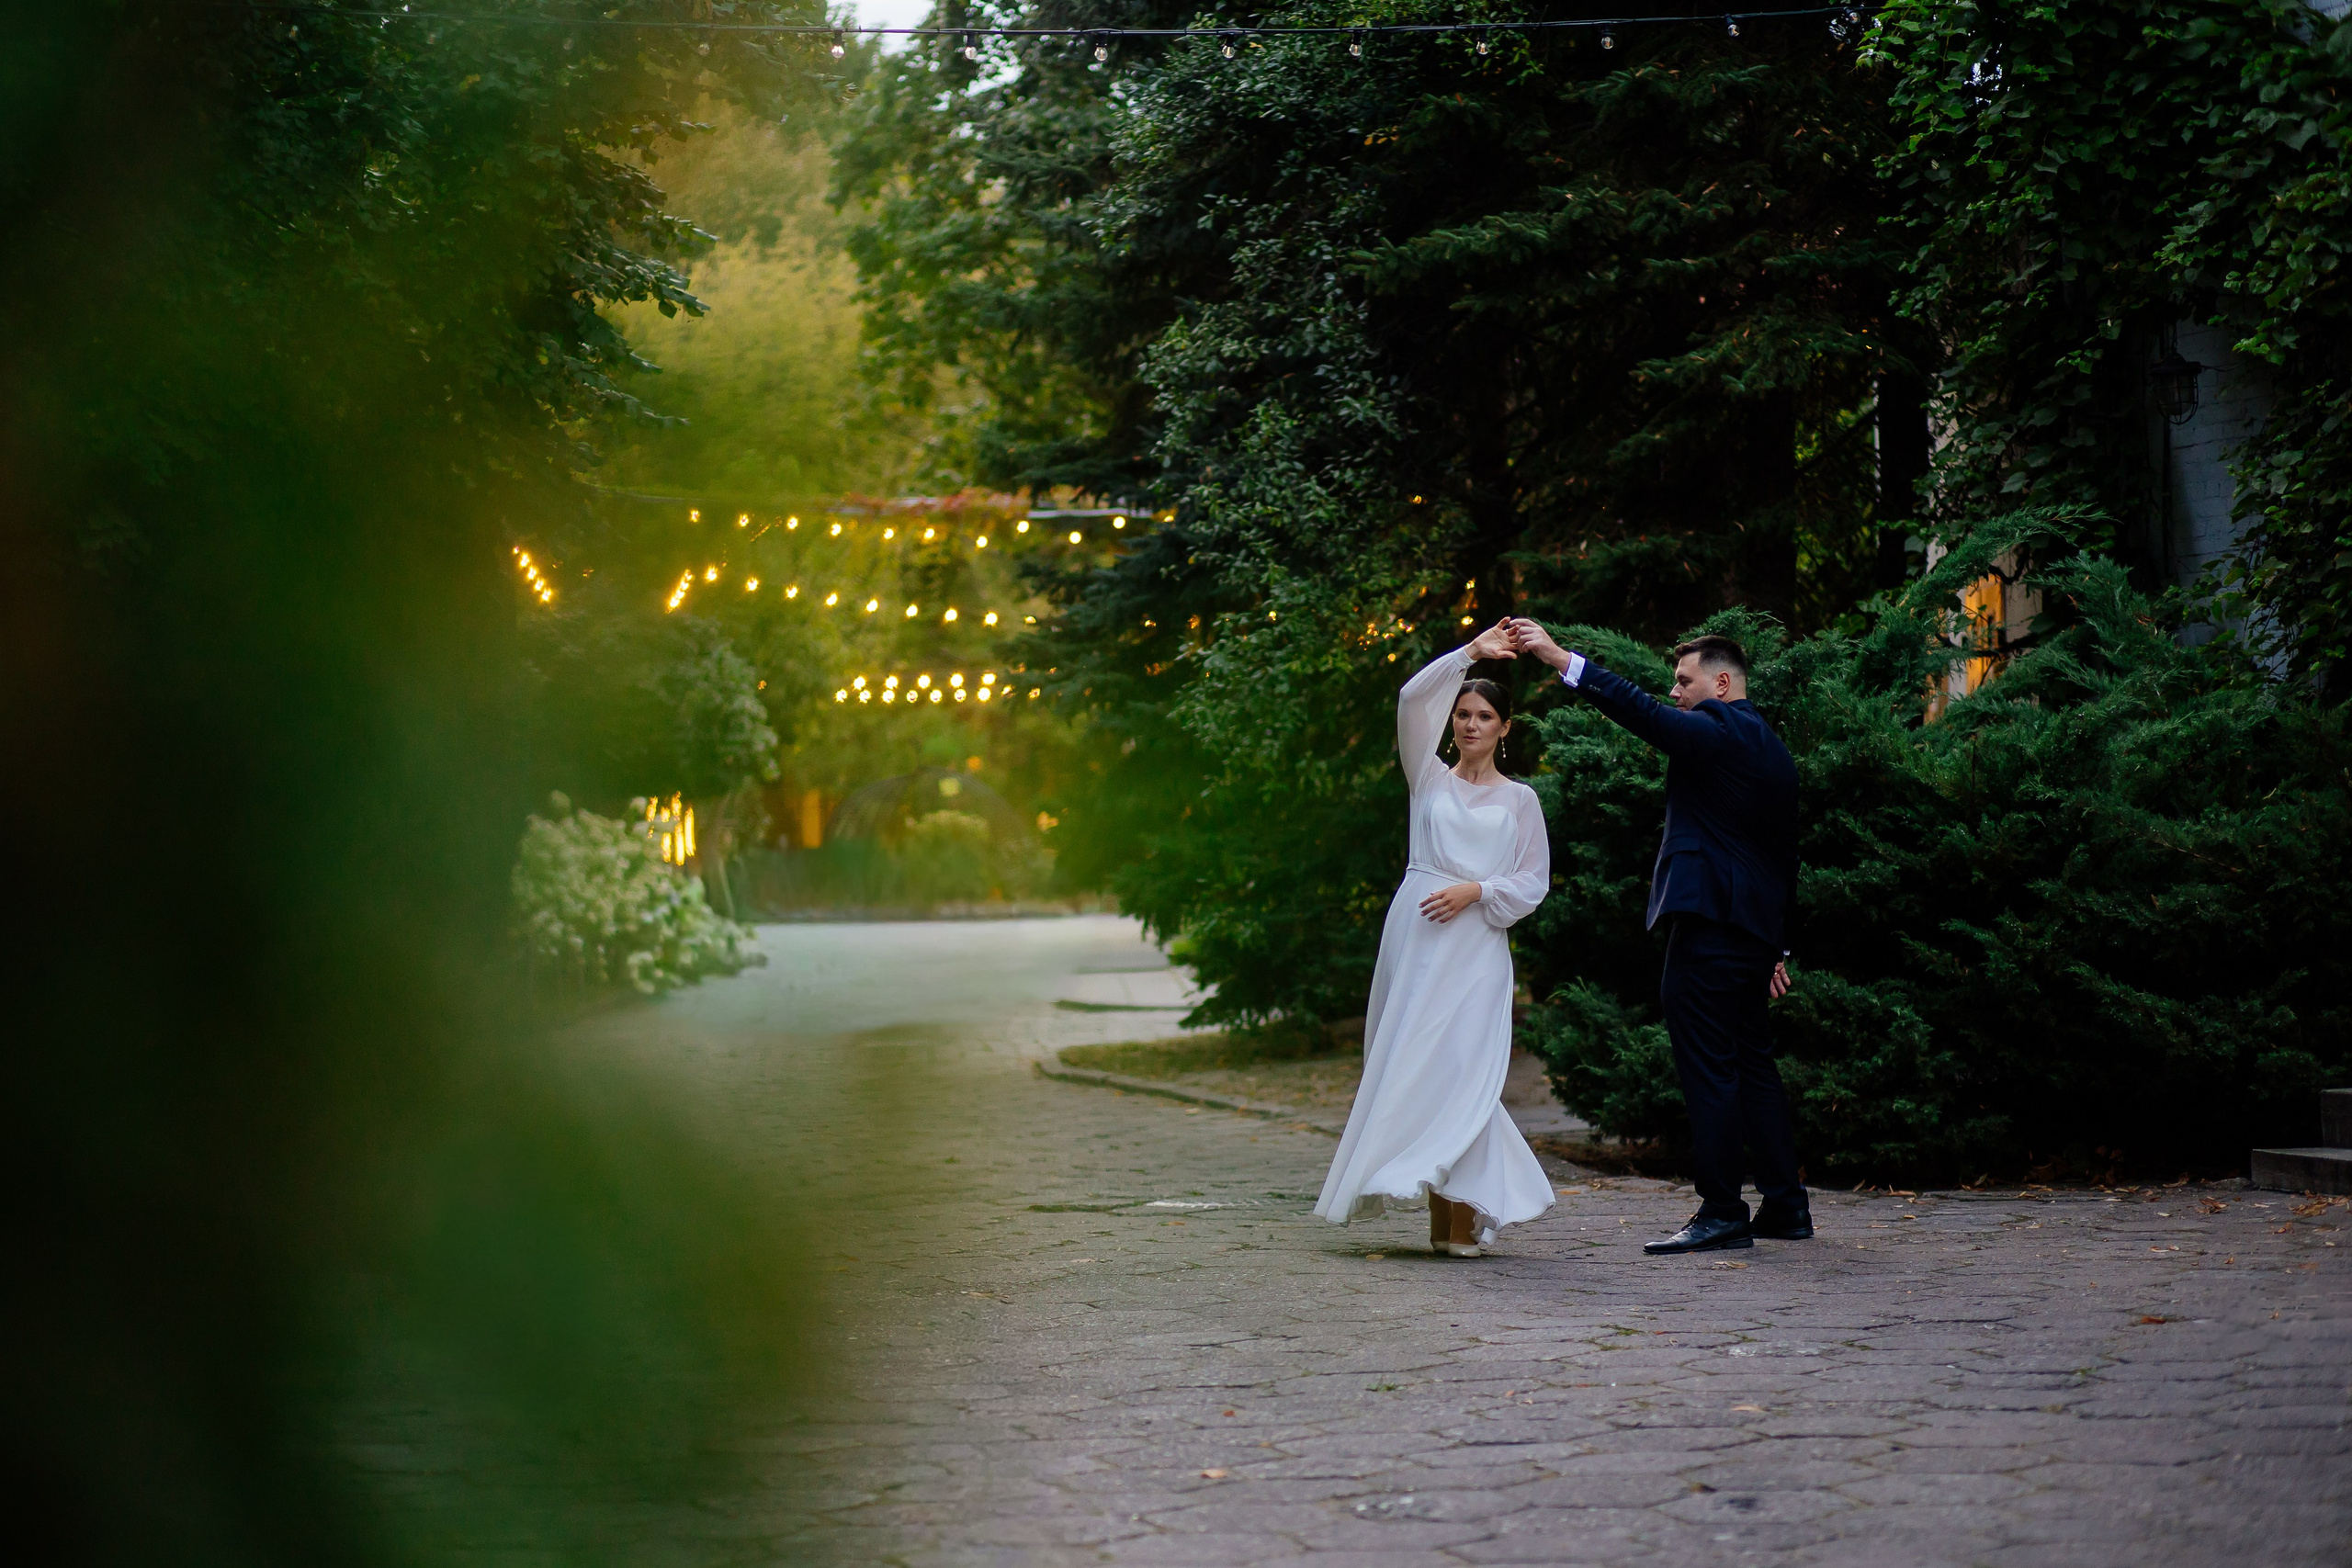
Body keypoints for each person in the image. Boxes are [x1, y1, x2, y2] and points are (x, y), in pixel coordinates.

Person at [1506, 620, 1810, 1255]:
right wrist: (1777, 946)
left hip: (1709, 926)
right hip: (1751, 934)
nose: (1673, 692)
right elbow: (1785, 856)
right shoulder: (1774, 750)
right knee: (1753, 1063)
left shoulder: (1718, 728)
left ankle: (1722, 1211)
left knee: (1710, 1067)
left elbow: (1641, 713)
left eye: (1683, 680)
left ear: (1721, 684)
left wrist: (1561, 659)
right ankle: (1786, 1206)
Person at [1314, 623, 1556, 1258]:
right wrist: (1470, 653)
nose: (1471, 724)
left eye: (1484, 716)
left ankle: (1460, 1216)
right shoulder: (1427, 777)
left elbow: (1532, 881)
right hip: (1419, 937)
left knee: (1464, 1073)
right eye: (1463, 714)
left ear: (1505, 727)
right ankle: (1442, 1218)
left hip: (1477, 946)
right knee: (1417, 1066)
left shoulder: (1521, 800)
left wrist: (1476, 890)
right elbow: (1409, 698)